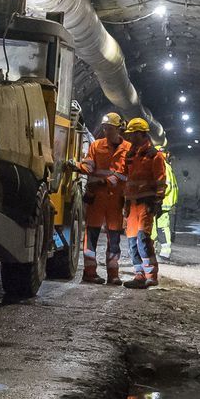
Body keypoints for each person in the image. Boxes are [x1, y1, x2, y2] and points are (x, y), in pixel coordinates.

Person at [78, 111, 128, 285]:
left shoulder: (127, 149)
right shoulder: (97, 145)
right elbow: (89, 164)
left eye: (109, 128)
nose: (106, 131)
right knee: (91, 237)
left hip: (115, 201)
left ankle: (113, 274)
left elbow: (122, 175)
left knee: (114, 239)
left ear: (118, 129)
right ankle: (89, 272)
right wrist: (79, 166)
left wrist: (101, 182)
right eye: (104, 128)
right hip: (97, 199)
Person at [121, 119, 168, 289]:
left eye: (133, 133)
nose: (130, 137)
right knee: (132, 242)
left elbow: (161, 181)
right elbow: (127, 180)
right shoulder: (130, 156)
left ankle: (151, 275)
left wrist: (157, 201)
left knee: (143, 239)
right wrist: (125, 204)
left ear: (141, 133)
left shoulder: (153, 155)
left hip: (146, 204)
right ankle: (139, 274)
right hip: (132, 205)